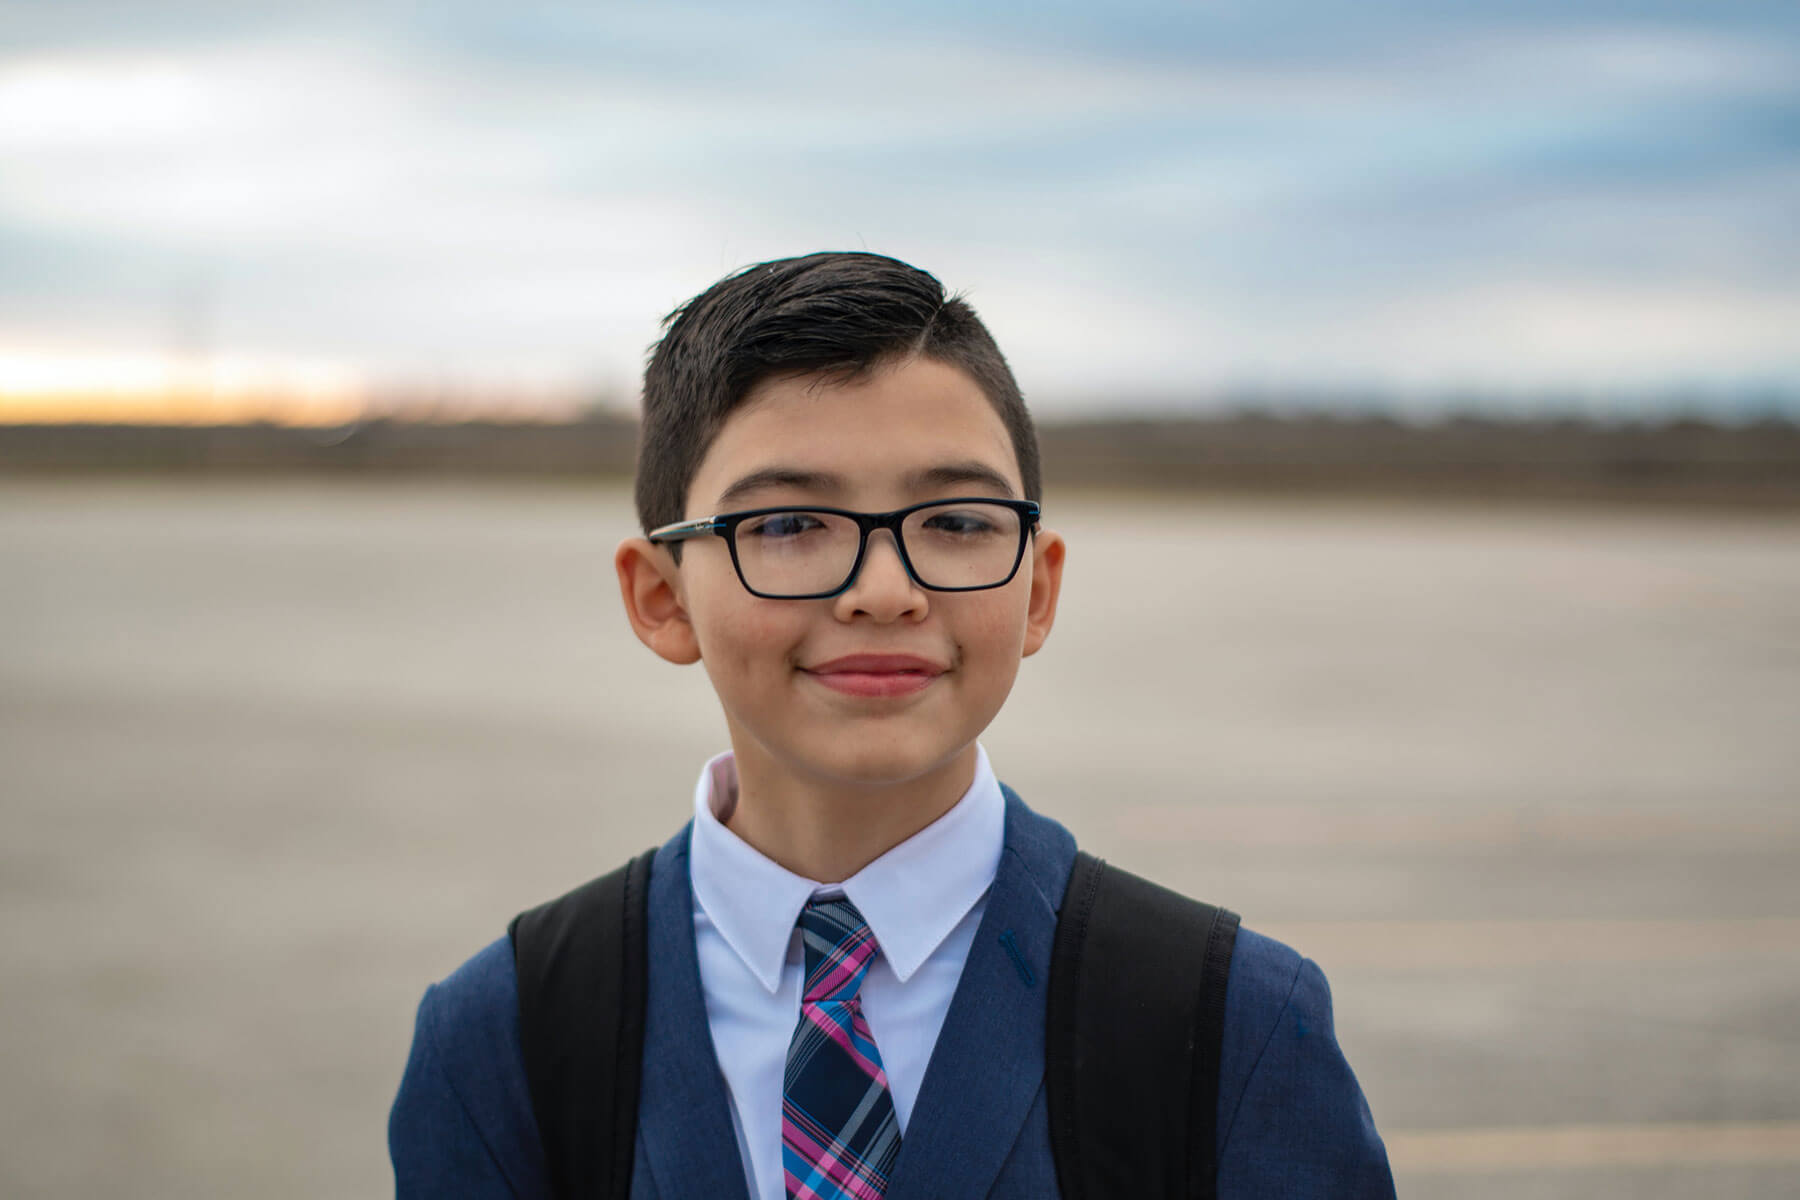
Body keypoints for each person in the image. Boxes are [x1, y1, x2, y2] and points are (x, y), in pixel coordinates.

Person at [388, 251, 1395, 1198]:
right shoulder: (508, 1036)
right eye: (785, 525)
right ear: (662, 598)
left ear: (1037, 592)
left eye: (956, 523)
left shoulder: (1226, 1023)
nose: (884, 590)